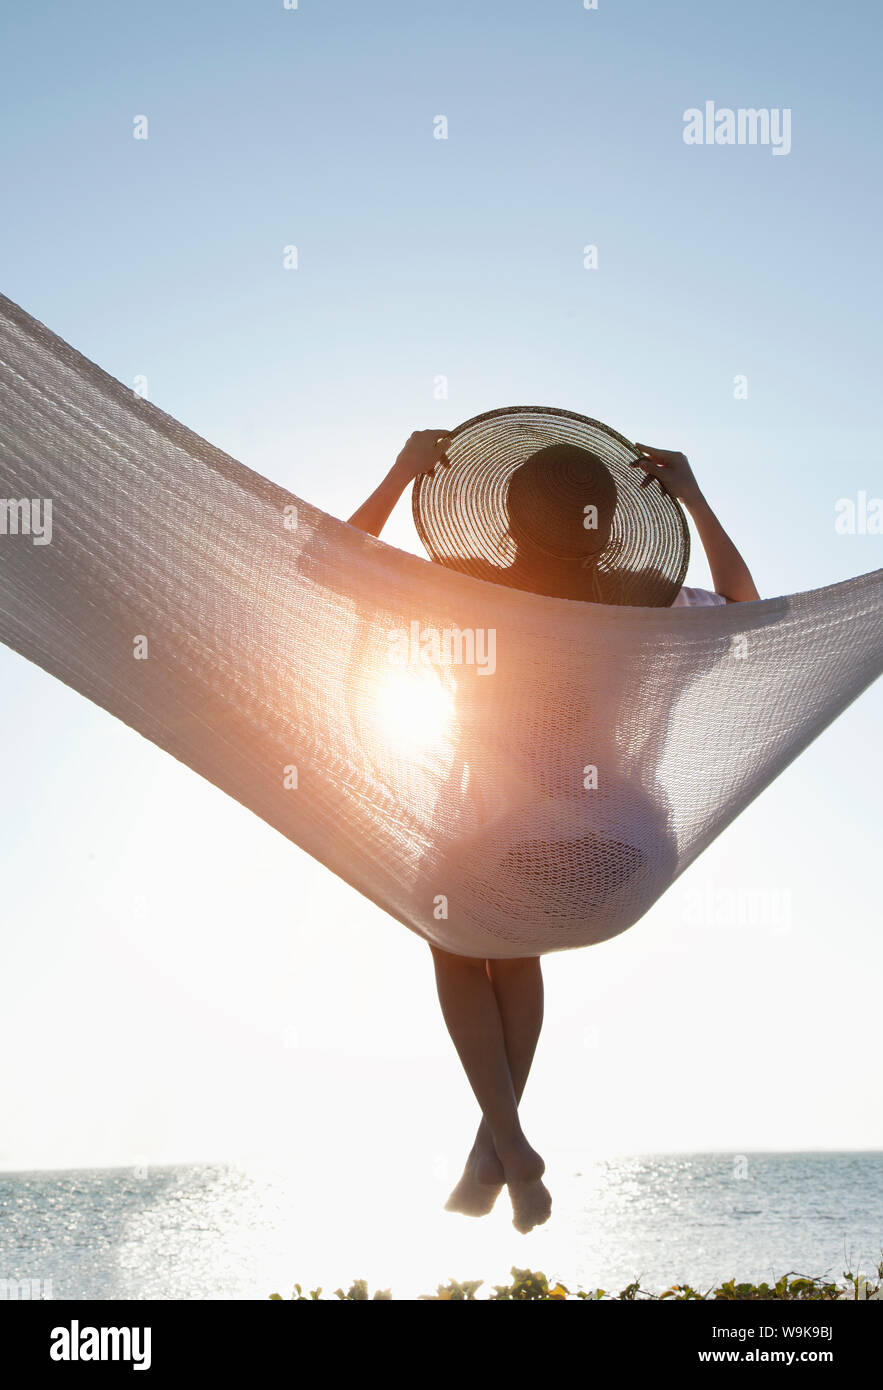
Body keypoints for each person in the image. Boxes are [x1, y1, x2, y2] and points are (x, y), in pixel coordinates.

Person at [348, 424, 759, 1233]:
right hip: (630, 850)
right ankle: (492, 1154)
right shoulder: (643, 598)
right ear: (604, 523)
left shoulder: (462, 588)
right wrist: (693, 498)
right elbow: (748, 610)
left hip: (510, 842)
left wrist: (401, 469)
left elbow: (327, 559)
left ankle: (506, 1142)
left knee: (451, 930)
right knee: (509, 937)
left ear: (507, 520)